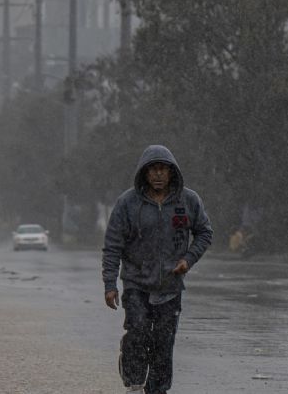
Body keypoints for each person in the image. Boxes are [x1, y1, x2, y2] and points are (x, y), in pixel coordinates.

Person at [102, 144, 213, 394]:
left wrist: (189, 259)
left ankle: (157, 390)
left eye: (163, 169)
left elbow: (205, 232)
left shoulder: (189, 201)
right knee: (138, 332)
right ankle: (133, 380)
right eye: (153, 170)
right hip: (136, 284)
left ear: (172, 172)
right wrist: (110, 285)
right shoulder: (127, 203)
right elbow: (112, 246)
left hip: (171, 287)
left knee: (164, 343)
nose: (158, 175)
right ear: (144, 173)